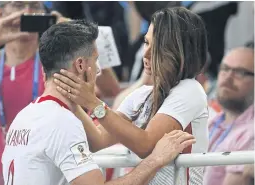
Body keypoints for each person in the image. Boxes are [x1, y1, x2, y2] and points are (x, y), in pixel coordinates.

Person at [1, 20, 196, 185]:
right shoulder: (62, 122)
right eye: (95, 60)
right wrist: (155, 160)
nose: (99, 70)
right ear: (80, 65)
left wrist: (82, 100)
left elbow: (98, 140)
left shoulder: (24, 116)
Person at [53, 7, 209, 185]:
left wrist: (92, 102)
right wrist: (75, 99)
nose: (146, 54)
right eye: (146, 42)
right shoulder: (141, 95)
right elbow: (97, 140)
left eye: (156, 47)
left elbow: (146, 145)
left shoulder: (190, 89)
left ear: (180, 51)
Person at [0, 2, 46, 174]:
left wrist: (76, 42)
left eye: (35, 7)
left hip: (40, 175)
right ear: (0, 14)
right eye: (18, 5)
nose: (27, 12)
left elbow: (108, 91)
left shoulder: (55, 67)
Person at [203, 47, 254, 185]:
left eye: (240, 73)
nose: (228, 77)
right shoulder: (212, 121)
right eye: (225, 68)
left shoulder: (251, 133)